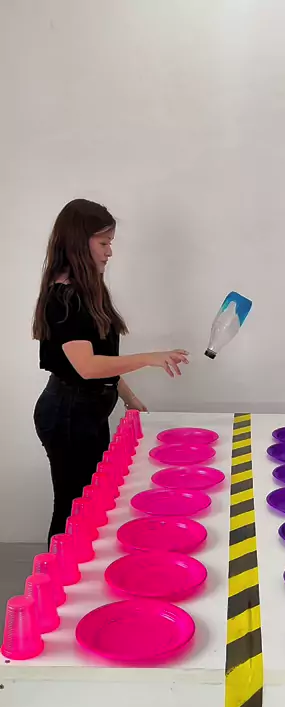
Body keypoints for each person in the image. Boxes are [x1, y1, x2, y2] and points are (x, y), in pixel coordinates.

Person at [33, 199, 189, 544]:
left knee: (88, 499)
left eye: (110, 243)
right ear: (79, 242)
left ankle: (74, 568)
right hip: (67, 414)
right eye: (104, 243)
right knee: (72, 505)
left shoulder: (90, 291)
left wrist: (129, 398)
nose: (110, 252)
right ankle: (59, 573)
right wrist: (149, 357)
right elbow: (87, 367)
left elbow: (104, 359)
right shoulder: (65, 297)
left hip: (85, 412)